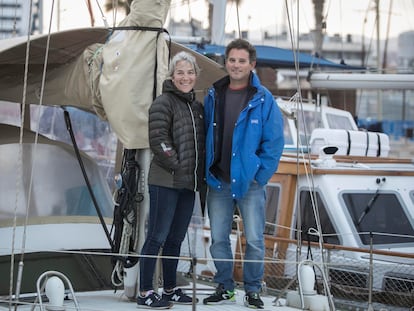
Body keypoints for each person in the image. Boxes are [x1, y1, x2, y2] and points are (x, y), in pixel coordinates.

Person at [202, 39, 284, 309]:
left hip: (250, 182)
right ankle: (225, 287)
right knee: (218, 239)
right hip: (219, 181)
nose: (236, 65)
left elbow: (274, 144)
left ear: (252, 64)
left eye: (241, 61)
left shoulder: (264, 100)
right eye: (232, 60)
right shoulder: (214, 95)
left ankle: (252, 290)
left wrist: (260, 176)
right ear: (226, 62)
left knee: (256, 240)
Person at [137, 51, 205, 309]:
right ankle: (145, 292)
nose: (185, 77)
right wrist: (177, 166)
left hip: (188, 184)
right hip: (166, 181)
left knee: (176, 238)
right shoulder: (163, 103)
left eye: (189, 72)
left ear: (196, 76)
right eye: (180, 72)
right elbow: (159, 140)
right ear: (172, 75)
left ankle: (169, 288)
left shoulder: (196, 107)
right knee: (157, 236)